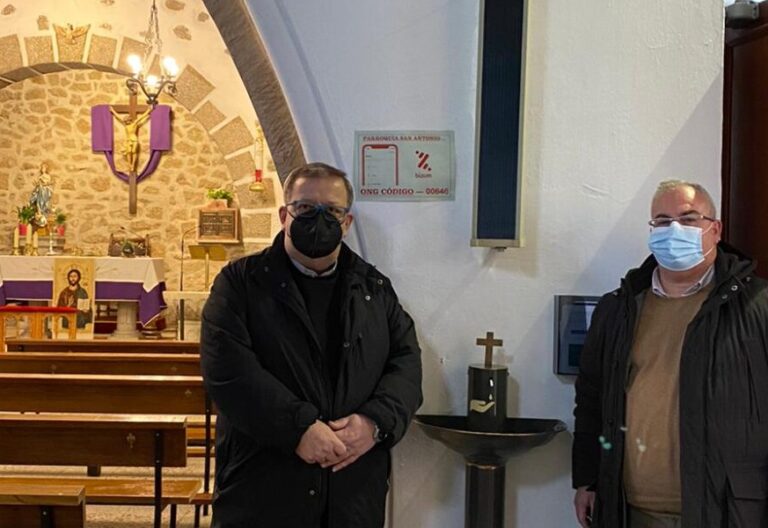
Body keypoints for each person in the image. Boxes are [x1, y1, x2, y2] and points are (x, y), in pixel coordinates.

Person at [200, 162, 423, 528]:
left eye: (332, 211)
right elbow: (227, 371)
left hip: (351, 492)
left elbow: (406, 363)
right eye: (305, 208)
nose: (318, 219)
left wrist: (374, 422)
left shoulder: (374, 289)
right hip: (263, 488)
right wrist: (298, 429)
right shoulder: (240, 284)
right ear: (284, 215)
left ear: (346, 223)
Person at [572, 180, 768, 528]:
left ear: (715, 229)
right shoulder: (617, 309)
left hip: (727, 510)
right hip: (629, 510)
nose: (674, 229)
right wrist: (588, 479)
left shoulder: (757, 307)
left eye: (689, 219)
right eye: (662, 221)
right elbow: (591, 400)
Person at [109, 106, 152, 173]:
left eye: (127, 120)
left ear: (129, 120)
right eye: (125, 121)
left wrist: (148, 111)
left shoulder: (134, 124)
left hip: (134, 139)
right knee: (129, 152)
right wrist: (113, 111)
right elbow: (118, 117)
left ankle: (133, 165)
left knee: (134, 152)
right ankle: (130, 165)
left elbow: (141, 117)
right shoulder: (126, 125)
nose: (126, 121)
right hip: (128, 140)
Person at [29, 162, 53, 227]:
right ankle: (39, 214)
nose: (43, 169)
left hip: (45, 193)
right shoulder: (40, 176)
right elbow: (38, 185)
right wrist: (37, 184)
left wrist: (42, 182)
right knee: (38, 203)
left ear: (46, 169)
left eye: (44, 168)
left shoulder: (48, 176)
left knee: (44, 204)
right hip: (40, 192)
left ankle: (43, 215)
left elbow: (48, 183)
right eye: (42, 168)